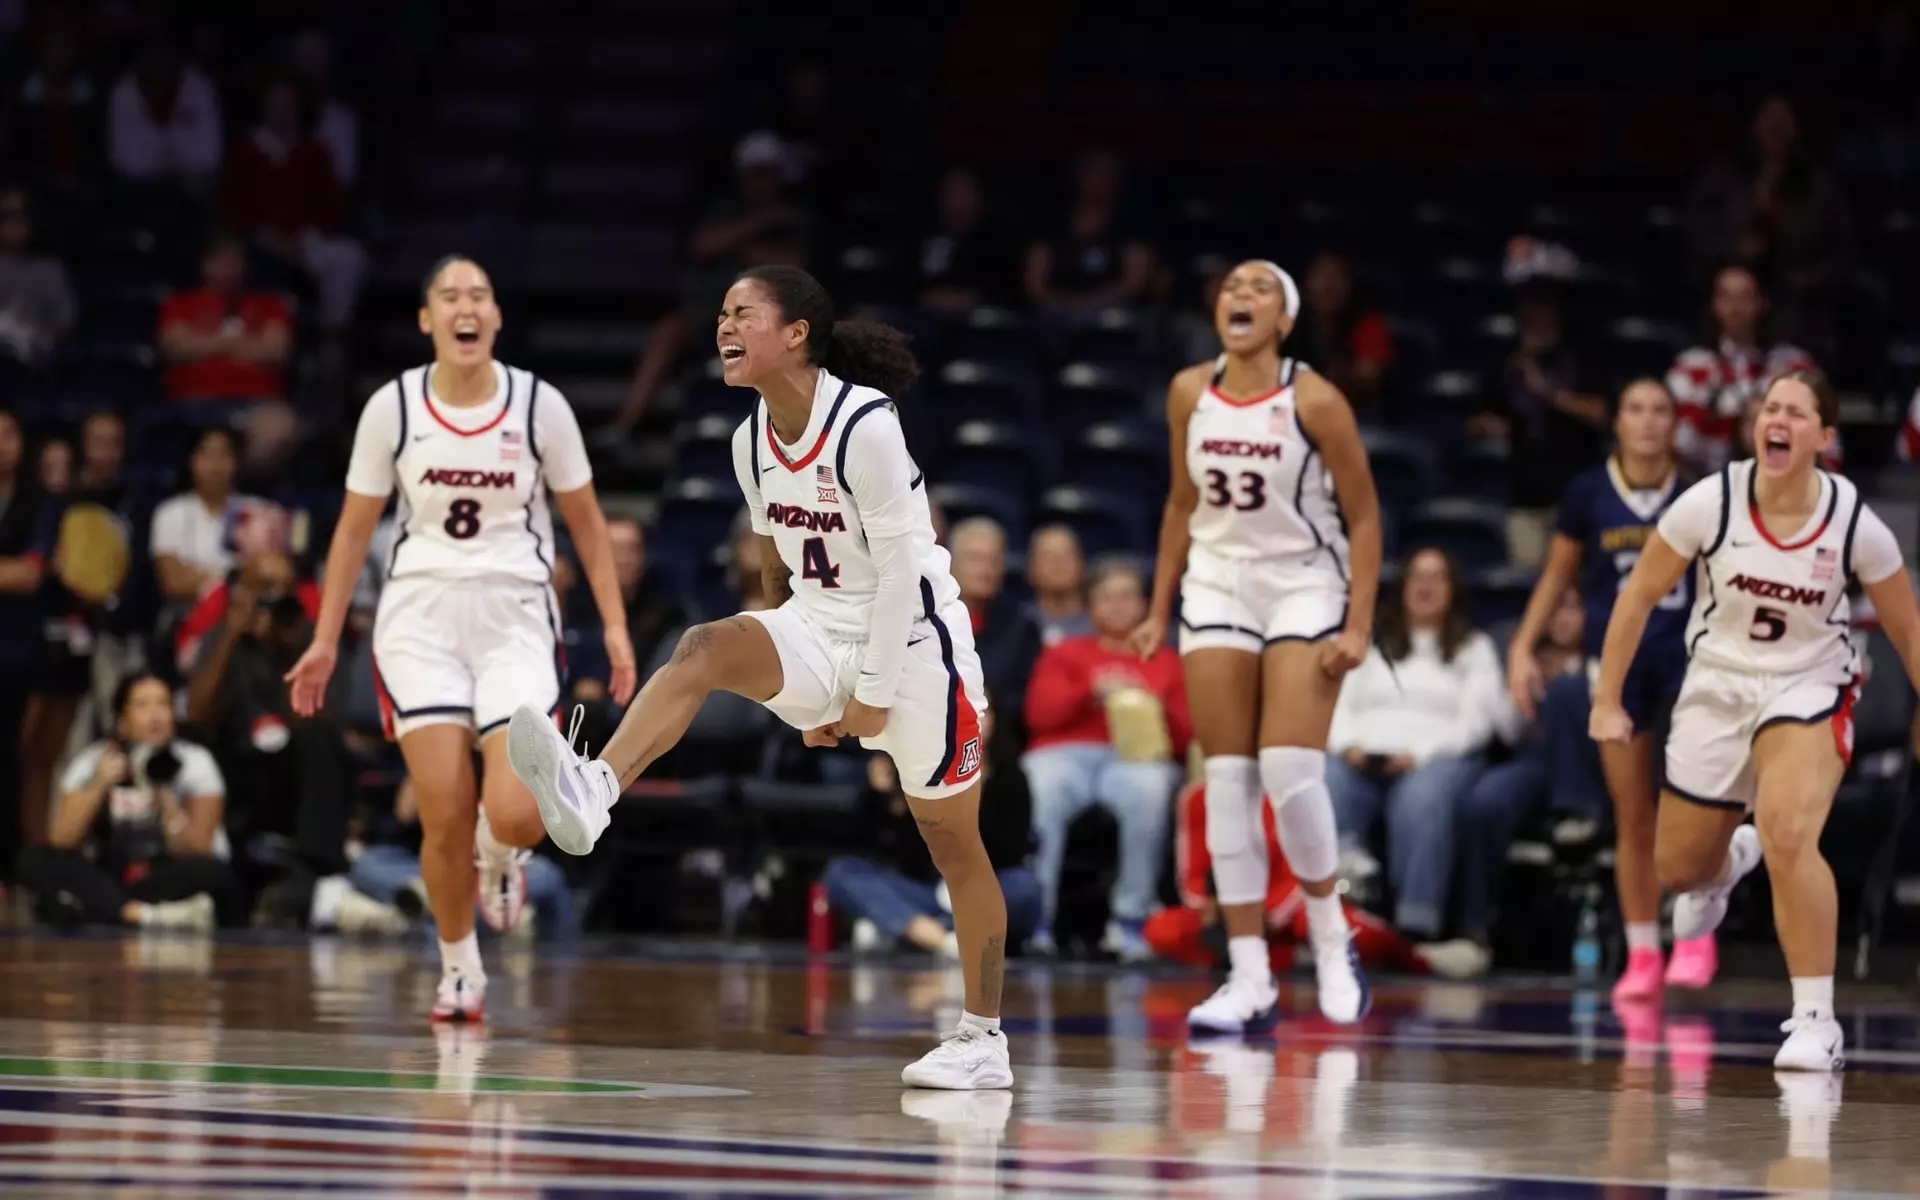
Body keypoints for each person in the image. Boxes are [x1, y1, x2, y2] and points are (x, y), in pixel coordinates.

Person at [502, 264, 1014, 1090]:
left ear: (796, 332)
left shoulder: (865, 425)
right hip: (820, 622)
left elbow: (900, 577)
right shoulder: (749, 439)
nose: (724, 326)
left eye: (743, 313)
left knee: (955, 844)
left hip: (919, 646)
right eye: (721, 314)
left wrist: (871, 693)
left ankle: (984, 1038)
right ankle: (595, 788)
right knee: (702, 645)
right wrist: (794, 682)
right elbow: (779, 564)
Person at [284, 255, 636, 1024]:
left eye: (479, 293)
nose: (465, 306)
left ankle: (502, 853)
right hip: (420, 619)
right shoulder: (393, 407)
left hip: (514, 615)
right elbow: (350, 532)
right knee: (441, 810)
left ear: (497, 317)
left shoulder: (540, 405)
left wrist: (613, 624)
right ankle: (460, 969)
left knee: (513, 812)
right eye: (449, 295)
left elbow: (586, 523)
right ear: (426, 319)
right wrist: (324, 637)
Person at [1592, 371, 1920, 1072]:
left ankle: (1814, 1020)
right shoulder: (1709, 502)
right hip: (1717, 684)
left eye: (1797, 413)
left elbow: (1908, 630)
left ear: (1823, 438)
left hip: (1811, 684)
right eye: (1771, 408)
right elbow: (1637, 598)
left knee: (1792, 833)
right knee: (1678, 869)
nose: (1779, 419)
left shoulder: (1855, 521)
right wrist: (1606, 698)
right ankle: (1727, 863)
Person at [1131, 259, 1384, 1034]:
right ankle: (1248, 976)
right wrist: (1156, 605)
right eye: (1233, 285)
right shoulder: (1188, 391)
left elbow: (1366, 517)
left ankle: (1331, 932)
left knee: (1288, 767)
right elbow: (1181, 500)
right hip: (1217, 583)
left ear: (1286, 320)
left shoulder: (1316, 399)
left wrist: (1359, 623)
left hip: (1304, 581)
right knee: (1228, 777)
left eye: (1261, 288)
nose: (1241, 295)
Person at [1506, 379, 1710, 1002]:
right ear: (1616, 422)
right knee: (1632, 814)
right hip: (1618, 668)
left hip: (1689, 660)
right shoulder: (1589, 493)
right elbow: (1557, 575)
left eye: (1660, 411)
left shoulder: (1701, 491)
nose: (1648, 422)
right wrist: (1522, 645)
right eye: (1636, 409)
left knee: (1695, 804)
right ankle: (1644, 949)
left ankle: (1696, 933)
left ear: (1675, 424)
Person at [18, 671, 246, 931]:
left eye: (163, 704)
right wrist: (99, 785)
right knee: (32, 859)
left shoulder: (195, 762)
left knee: (218, 874)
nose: (155, 715)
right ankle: (139, 915)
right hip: (112, 876)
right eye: (142, 705)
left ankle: (98, 909)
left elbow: (200, 847)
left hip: (165, 873)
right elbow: (62, 839)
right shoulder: (94, 761)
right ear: (121, 719)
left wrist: (167, 802)